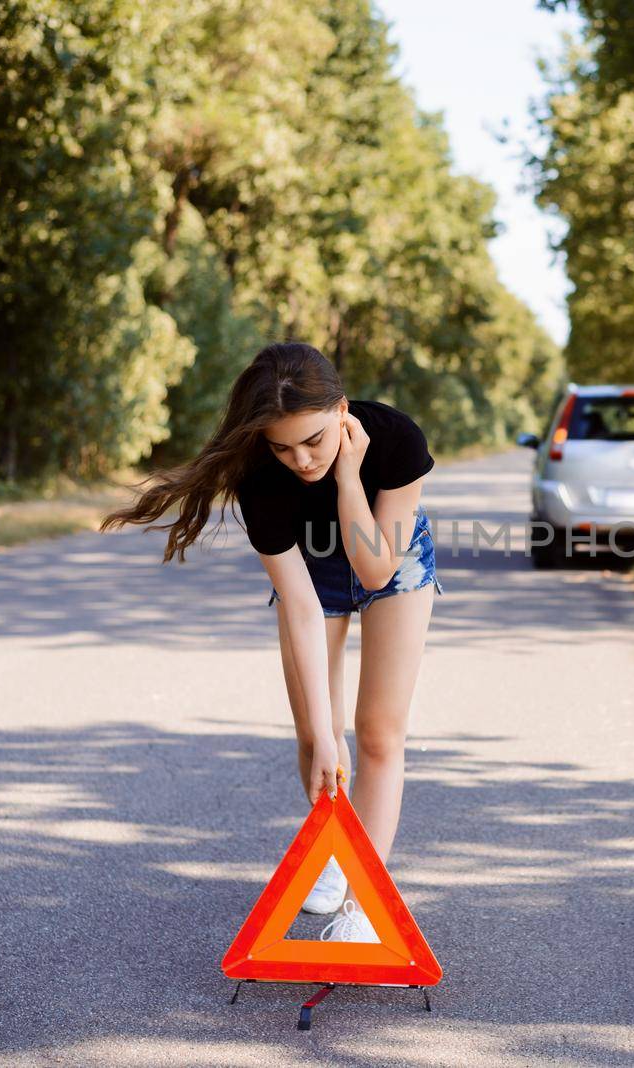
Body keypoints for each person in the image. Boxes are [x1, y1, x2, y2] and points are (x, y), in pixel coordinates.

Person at [99, 341, 443, 942]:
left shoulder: (395, 438)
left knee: (381, 733)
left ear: (341, 411)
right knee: (318, 741)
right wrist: (326, 734)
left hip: (388, 558)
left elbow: (375, 572)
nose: (301, 460)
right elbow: (303, 610)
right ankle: (336, 855)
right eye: (283, 447)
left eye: (314, 440)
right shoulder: (260, 481)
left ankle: (363, 902)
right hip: (311, 575)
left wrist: (346, 476)